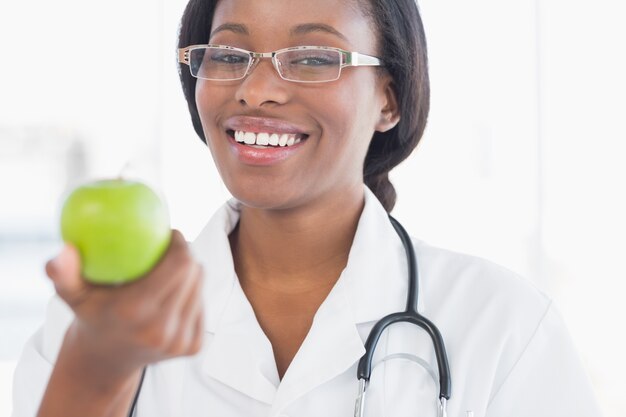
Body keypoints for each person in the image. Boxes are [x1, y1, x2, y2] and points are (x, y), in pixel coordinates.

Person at [12, 0, 602, 416]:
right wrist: (99, 369)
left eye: (315, 58)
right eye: (227, 55)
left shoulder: (503, 327)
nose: (257, 89)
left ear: (389, 98)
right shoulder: (103, 320)